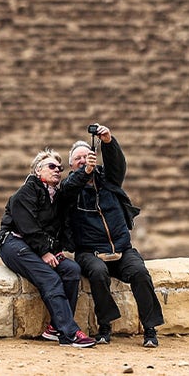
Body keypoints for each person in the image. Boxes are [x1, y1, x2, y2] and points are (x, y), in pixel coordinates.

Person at [61, 124, 165, 348]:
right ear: (71, 165)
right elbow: (68, 189)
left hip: (121, 249)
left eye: (85, 157)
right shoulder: (69, 188)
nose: (82, 161)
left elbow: (118, 165)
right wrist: (84, 174)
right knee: (98, 273)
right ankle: (105, 326)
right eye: (77, 159)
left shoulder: (108, 180)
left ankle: (150, 328)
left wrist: (108, 141)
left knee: (140, 273)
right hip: (90, 252)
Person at [0, 148, 97, 348]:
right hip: (13, 243)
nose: (57, 170)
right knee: (50, 278)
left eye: (60, 167)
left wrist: (55, 250)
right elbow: (28, 227)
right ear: (38, 171)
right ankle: (69, 333)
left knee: (71, 270)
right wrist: (44, 252)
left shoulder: (54, 196)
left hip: (35, 245)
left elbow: (54, 227)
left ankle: (55, 328)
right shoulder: (25, 192)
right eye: (51, 166)